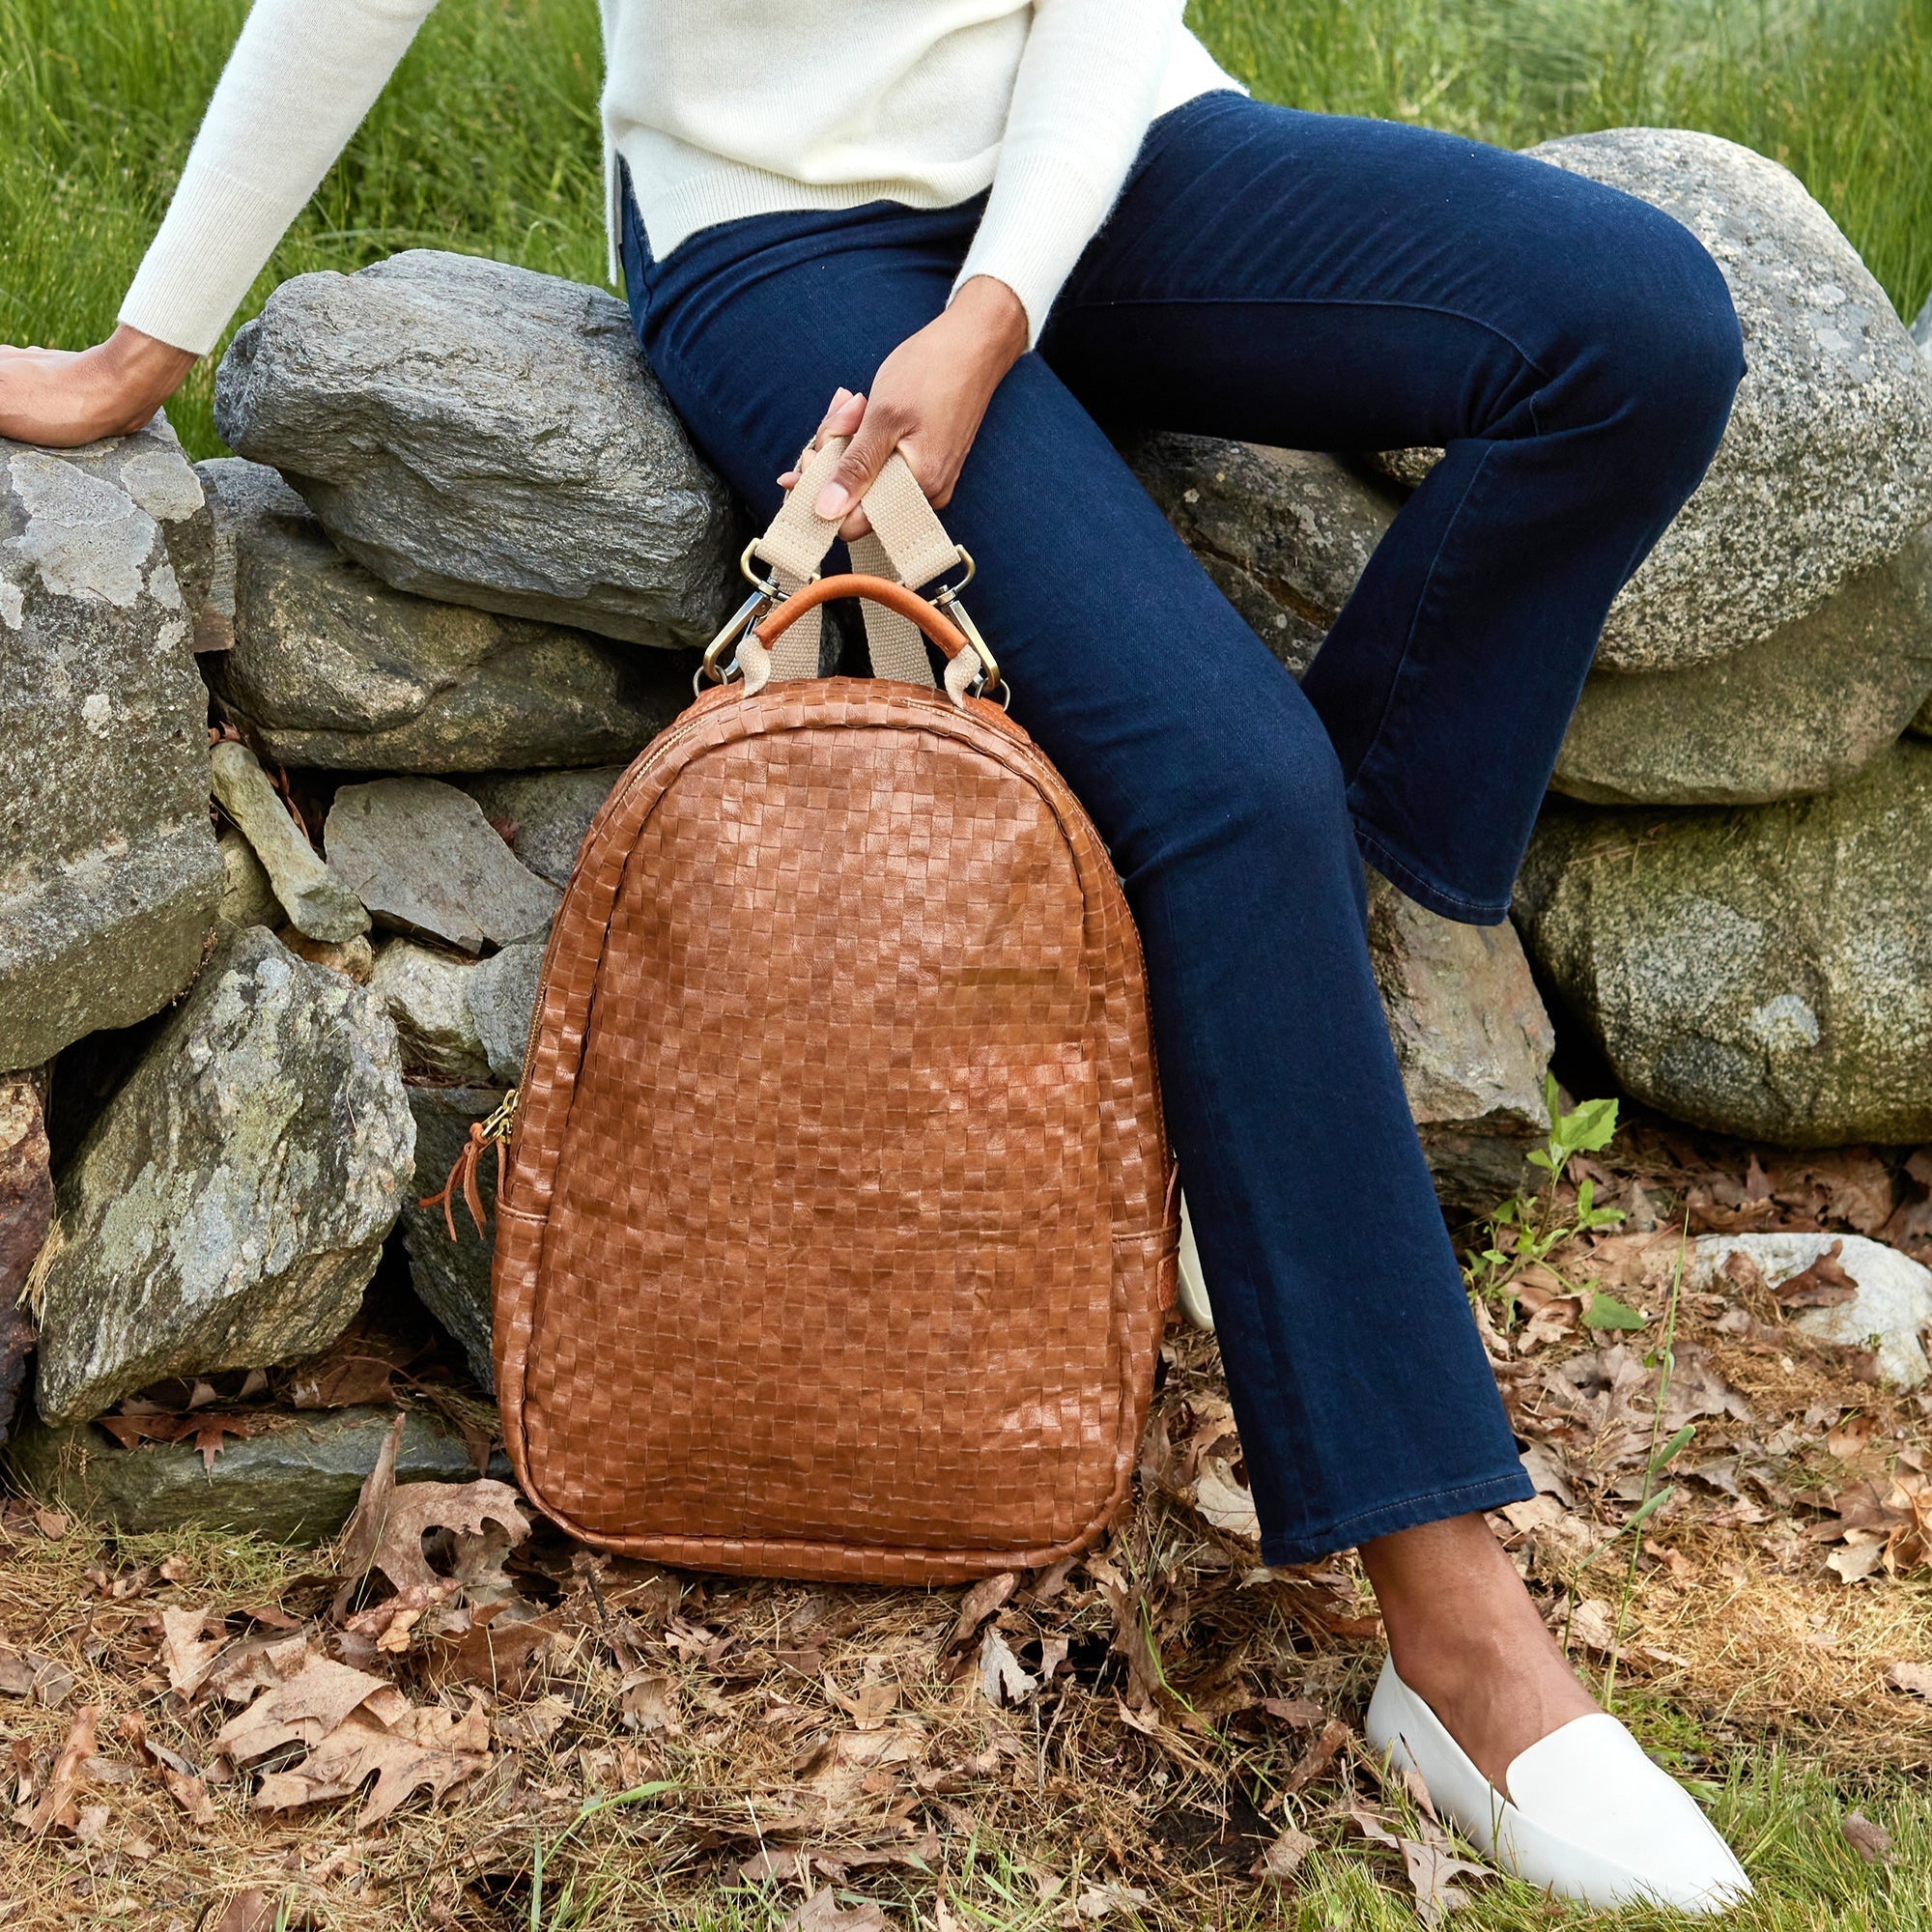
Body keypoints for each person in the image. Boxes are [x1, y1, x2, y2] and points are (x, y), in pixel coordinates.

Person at [0, 0, 1752, 1908]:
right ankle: (1459, 1643)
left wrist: (995, 311)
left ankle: (1300, 958)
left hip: (1113, 151)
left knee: (1636, 323)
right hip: (785, 227)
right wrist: (141, 349)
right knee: (1232, 786)